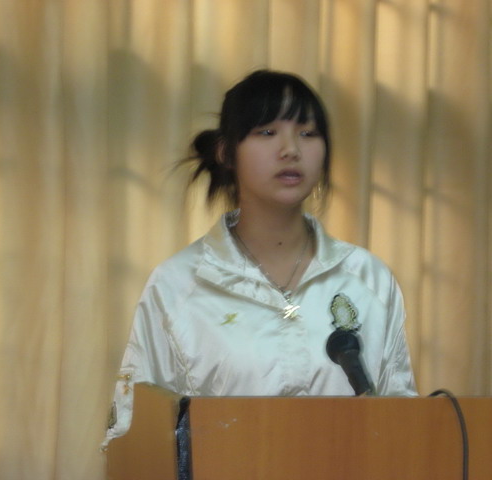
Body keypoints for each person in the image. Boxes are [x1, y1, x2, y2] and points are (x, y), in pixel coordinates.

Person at [104, 70, 417, 445]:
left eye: (308, 133)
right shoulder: (179, 284)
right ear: (226, 153)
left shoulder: (367, 279)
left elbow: (404, 427)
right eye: (267, 132)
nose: (291, 150)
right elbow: (135, 434)